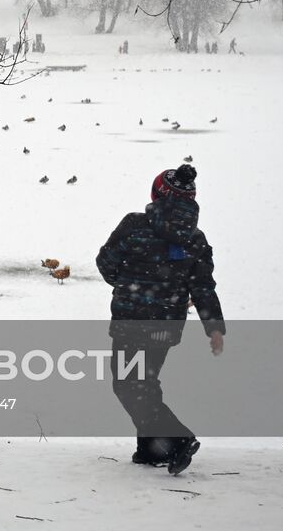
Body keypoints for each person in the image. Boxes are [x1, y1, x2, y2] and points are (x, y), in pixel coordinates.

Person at [96, 164, 224, 475]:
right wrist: (214, 327)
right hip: (166, 327)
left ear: (157, 194)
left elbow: (105, 263)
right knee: (145, 383)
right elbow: (203, 286)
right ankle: (150, 450)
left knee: (128, 386)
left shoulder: (134, 225)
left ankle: (178, 440)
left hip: (131, 321)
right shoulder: (194, 238)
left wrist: (127, 284)